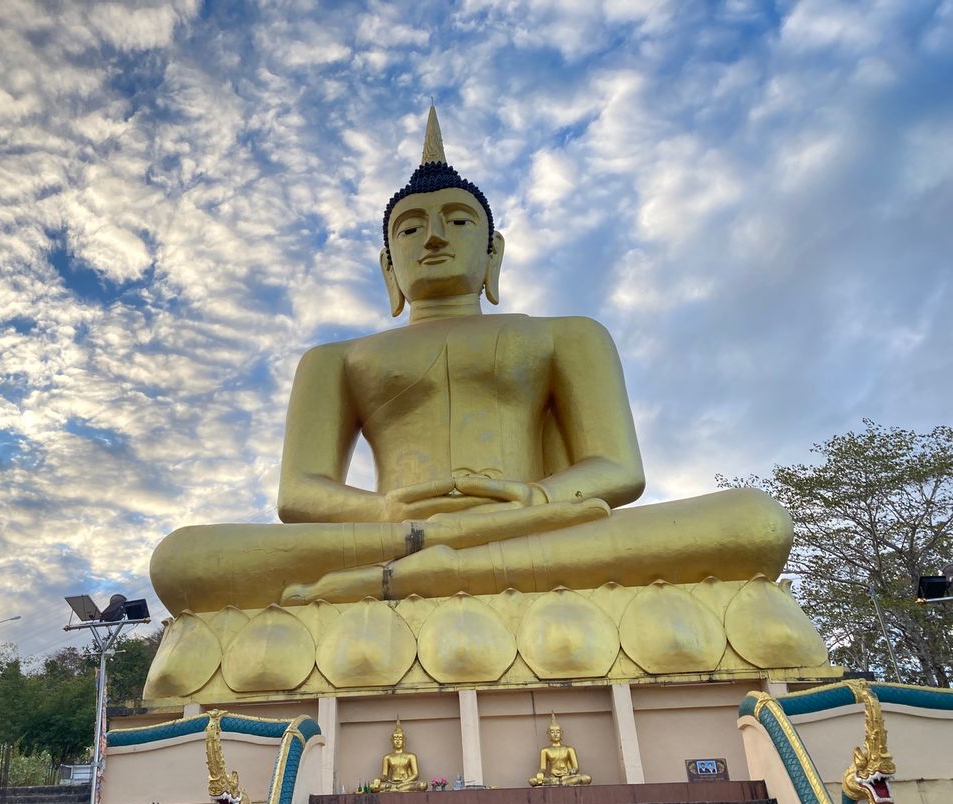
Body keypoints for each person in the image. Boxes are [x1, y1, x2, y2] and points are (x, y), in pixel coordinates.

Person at [149, 108, 791, 614]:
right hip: (391, 533)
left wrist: (530, 498)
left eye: (457, 221)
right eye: (410, 227)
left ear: (493, 253)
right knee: (183, 559)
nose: (432, 236)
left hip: (534, 523)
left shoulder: (567, 334)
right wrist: (389, 514)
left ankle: (413, 578)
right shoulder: (335, 358)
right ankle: (429, 564)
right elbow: (299, 493)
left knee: (753, 521)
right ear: (387, 265)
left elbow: (618, 469)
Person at [529, 715, 592, 787]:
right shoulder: (545, 750)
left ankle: (560, 783)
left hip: (567, 777)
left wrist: (573, 770)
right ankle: (559, 783)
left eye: (558, 732)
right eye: (552, 732)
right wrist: (540, 773)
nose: (555, 734)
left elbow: (576, 767)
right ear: (548, 734)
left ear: (561, 733)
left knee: (587, 778)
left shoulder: (569, 749)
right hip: (553, 778)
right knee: (532, 780)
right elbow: (542, 768)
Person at [369, 719, 428, 793]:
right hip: (392, 783)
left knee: (423, 785)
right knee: (372, 787)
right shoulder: (387, 757)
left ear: (404, 740)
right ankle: (396, 789)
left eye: (400, 738)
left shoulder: (411, 756)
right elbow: (385, 775)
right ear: (392, 740)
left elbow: (416, 774)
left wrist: (404, 782)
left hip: (406, 782)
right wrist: (379, 779)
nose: (397, 741)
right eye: (395, 738)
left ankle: (395, 789)